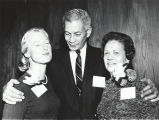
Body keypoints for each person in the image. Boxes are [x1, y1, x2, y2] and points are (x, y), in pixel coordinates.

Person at [2, 9, 159, 119]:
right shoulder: (50, 58)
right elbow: (30, 78)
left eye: (77, 34)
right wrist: (8, 87)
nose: (71, 39)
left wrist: (149, 88)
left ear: (88, 32)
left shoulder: (104, 57)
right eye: (67, 33)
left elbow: (128, 83)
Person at [97, 32, 159, 119]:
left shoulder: (143, 87)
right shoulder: (108, 85)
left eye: (116, 53)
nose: (109, 57)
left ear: (127, 57)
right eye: (106, 53)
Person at [2, 28, 60, 119]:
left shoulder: (48, 80)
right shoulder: (17, 90)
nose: (45, 47)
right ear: (27, 53)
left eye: (46, 42)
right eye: (37, 44)